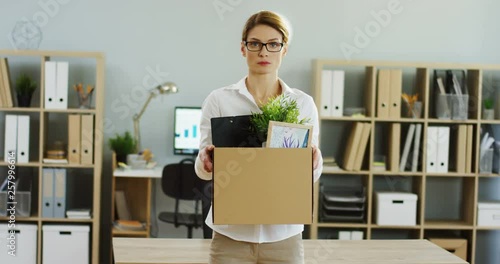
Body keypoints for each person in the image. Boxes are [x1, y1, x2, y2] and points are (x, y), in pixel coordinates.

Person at [194, 10, 323, 264]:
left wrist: (314, 163)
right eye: (255, 44)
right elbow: (203, 170)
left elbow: (312, 176)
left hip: (284, 237)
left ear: (283, 50)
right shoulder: (219, 100)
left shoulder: (302, 103)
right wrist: (206, 161)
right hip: (230, 236)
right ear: (243, 49)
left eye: (273, 44)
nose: (264, 52)